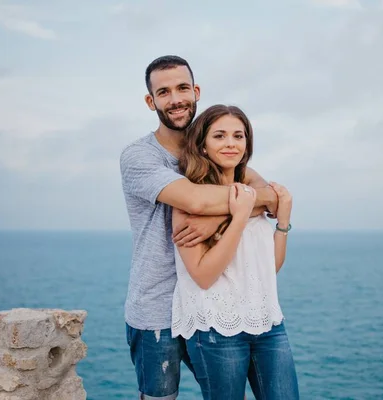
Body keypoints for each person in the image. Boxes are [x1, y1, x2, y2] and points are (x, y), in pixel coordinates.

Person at [119, 55, 278, 399]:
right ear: (151, 101)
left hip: (211, 306)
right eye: (164, 92)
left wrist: (223, 217)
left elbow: (269, 196)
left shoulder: (213, 145)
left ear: (196, 91)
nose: (175, 99)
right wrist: (229, 210)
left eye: (182, 88)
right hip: (157, 310)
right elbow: (196, 201)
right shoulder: (139, 157)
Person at [171, 104, 299, 400]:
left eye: (238, 136)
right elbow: (203, 276)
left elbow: (271, 267)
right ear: (202, 145)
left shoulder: (252, 192)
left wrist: (283, 221)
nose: (231, 143)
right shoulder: (188, 200)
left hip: (266, 323)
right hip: (215, 328)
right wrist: (239, 217)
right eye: (220, 136)